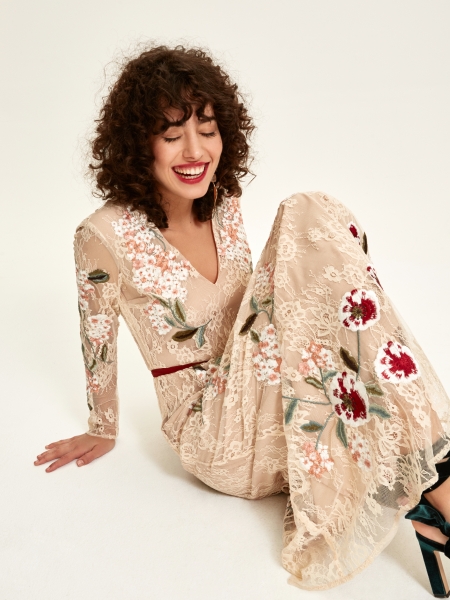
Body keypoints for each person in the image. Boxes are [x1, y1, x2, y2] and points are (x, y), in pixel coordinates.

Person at [34, 45, 450, 595]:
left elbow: (268, 310)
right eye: (172, 133)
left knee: (319, 219)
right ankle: (441, 490)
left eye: (207, 130)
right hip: (214, 433)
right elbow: (97, 336)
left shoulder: (222, 198)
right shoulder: (102, 235)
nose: (195, 150)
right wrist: (101, 426)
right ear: (139, 143)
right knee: (305, 212)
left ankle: (434, 496)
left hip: (269, 390)